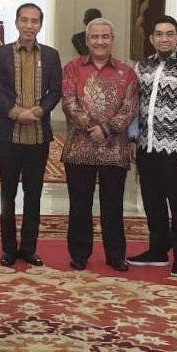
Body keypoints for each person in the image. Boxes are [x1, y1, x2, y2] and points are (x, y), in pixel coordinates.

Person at [126, 15, 177, 278]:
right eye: (159, 34)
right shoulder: (142, 67)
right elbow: (135, 105)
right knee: (152, 200)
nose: (164, 38)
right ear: (151, 39)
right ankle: (158, 250)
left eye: (170, 34)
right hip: (147, 146)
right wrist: (133, 138)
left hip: (174, 149)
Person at [0, 3, 63, 268]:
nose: (29, 25)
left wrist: (41, 110)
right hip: (9, 134)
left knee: (34, 194)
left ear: (40, 25)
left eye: (34, 21)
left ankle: (29, 248)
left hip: (39, 136)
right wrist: (16, 113)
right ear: (17, 23)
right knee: (7, 195)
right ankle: (8, 249)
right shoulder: (1, 54)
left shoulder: (52, 56)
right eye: (24, 20)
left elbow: (56, 91)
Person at [62, 18, 138, 272]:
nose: (100, 41)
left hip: (114, 150)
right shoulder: (72, 68)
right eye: (95, 37)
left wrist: (105, 129)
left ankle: (116, 255)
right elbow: (69, 101)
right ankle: (80, 254)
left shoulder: (126, 72)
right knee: (80, 204)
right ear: (87, 40)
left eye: (105, 36)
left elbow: (130, 107)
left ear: (112, 40)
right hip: (79, 148)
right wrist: (89, 127)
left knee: (113, 204)